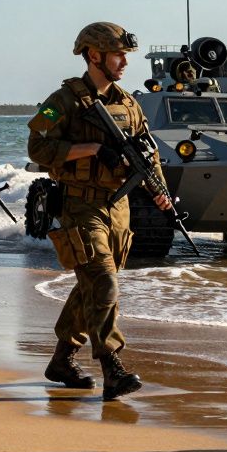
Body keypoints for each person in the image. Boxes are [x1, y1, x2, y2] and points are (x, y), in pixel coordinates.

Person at [27, 22, 172, 401]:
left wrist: (160, 191)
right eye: (117, 55)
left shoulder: (127, 103)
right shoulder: (63, 101)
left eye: (125, 55)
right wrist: (89, 149)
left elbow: (149, 152)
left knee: (91, 286)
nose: (124, 62)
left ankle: (61, 360)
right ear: (94, 55)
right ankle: (112, 367)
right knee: (104, 284)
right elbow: (38, 148)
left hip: (118, 207)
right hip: (81, 205)